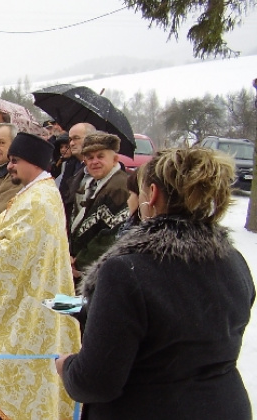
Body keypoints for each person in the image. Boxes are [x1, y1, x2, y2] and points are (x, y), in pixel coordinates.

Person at [56, 148, 255, 420]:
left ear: (152, 194)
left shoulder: (126, 271)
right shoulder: (234, 261)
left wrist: (68, 366)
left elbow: (95, 381)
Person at [0, 132, 80, 420]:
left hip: (29, 308)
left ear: (34, 161)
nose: (10, 166)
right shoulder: (36, 192)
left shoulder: (38, 200)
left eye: (15, 160)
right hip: (31, 296)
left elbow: (14, 255)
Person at [69, 132, 129, 283]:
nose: (94, 161)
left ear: (115, 160)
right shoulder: (90, 184)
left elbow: (110, 237)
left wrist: (80, 263)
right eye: (90, 158)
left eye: (100, 156)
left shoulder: (119, 188)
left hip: (97, 271)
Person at [60, 122, 97, 224]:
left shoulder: (98, 167)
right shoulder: (70, 165)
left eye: (76, 138)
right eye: (70, 139)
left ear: (91, 139)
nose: (71, 143)